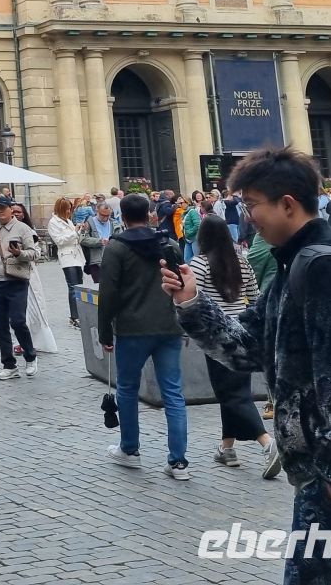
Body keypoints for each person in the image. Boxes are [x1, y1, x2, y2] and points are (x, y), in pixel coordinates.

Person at [166, 147, 331, 584]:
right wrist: (192, 304)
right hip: (326, 477)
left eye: (252, 205)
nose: (248, 216)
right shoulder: (295, 265)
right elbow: (247, 350)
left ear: (288, 205)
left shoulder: (326, 271)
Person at [98, 191, 189, 479]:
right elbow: (183, 283)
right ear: (150, 214)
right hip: (169, 325)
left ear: (122, 217)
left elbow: (108, 292)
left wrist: (104, 331)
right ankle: (178, 462)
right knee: (173, 392)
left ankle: (130, 449)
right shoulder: (169, 244)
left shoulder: (116, 248)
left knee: (127, 388)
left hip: (133, 328)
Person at [190, 215, 281, 477]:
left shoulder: (199, 264)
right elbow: (255, 296)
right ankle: (226, 447)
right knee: (231, 390)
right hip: (241, 328)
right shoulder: (241, 261)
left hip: (215, 334)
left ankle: (267, 442)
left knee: (232, 394)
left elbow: (194, 298)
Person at [0, 195, 39, 381]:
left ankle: (30, 356)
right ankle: (8, 364)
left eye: (3, 208)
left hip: (17, 279)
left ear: (11, 209)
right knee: (1, 324)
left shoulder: (23, 228)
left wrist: (20, 253)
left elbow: (36, 253)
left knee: (18, 321)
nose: (0, 211)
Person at [49, 197, 87, 328]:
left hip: (77, 255)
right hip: (66, 256)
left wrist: (81, 231)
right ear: (60, 209)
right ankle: (74, 317)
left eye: (70, 209)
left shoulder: (69, 221)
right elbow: (59, 241)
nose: (69, 211)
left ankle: (79, 315)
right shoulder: (53, 223)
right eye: (67, 209)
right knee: (72, 287)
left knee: (79, 286)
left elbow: (77, 238)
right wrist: (75, 232)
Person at [81, 202, 122, 285]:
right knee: (100, 286)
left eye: (108, 215)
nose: (105, 218)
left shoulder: (115, 223)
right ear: (97, 211)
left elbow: (121, 239)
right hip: (96, 261)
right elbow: (83, 239)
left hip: (113, 260)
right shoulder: (89, 223)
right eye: (103, 215)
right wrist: (99, 241)